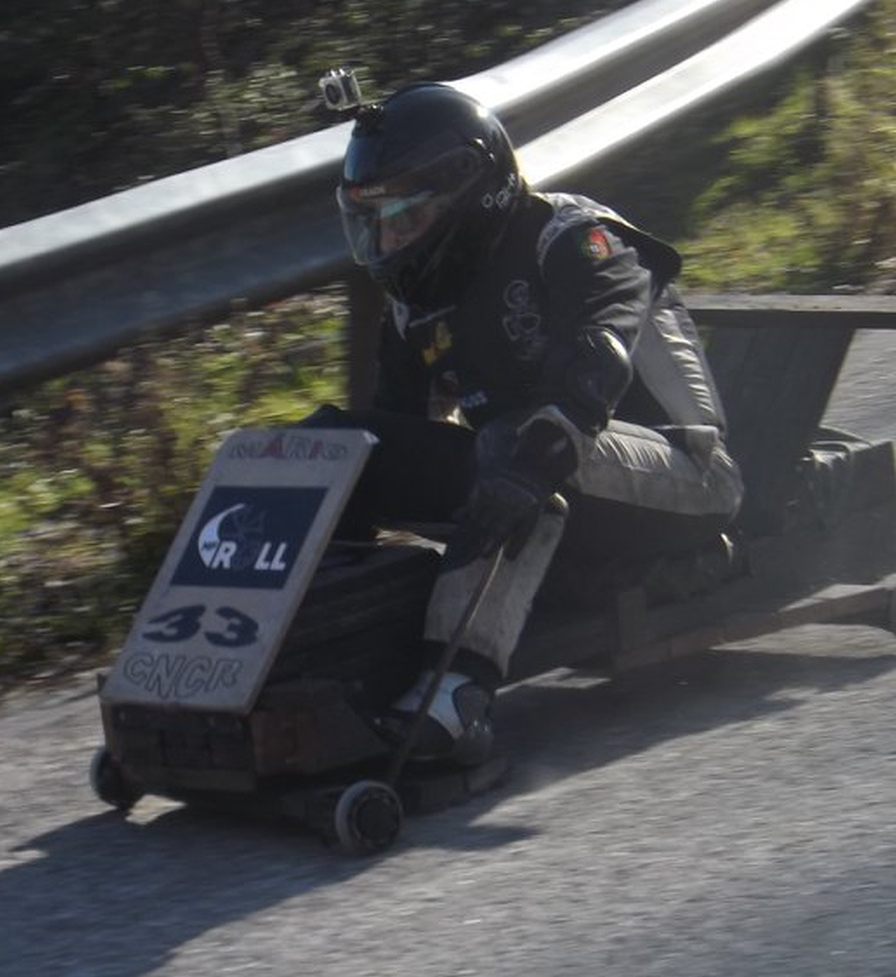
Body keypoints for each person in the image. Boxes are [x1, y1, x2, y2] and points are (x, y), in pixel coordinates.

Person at [305, 78, 743, 766]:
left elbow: (602, 354)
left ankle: (453, 696)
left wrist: (527, 455)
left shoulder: (573, 239)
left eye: (404, 217)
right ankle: (301, 660)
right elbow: (397, 441)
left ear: (469, 193)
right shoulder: (416, 303)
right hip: (535, 472)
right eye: (374, 220)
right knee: (337, 450)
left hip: (686, 480)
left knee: (519, 446)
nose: (388, 240)